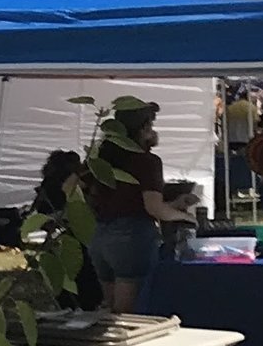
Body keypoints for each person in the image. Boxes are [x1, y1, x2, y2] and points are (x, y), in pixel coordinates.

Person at [81, 97, 191, 312]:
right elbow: (154, 208)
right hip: (131, 237)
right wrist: (186, 216)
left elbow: (72, 185)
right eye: (151, 125)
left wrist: (174, 205)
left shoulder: (100, 159)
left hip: (99, 234)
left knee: (109, 309)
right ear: (143, 129)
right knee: (128, 315)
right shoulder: (148, 161)